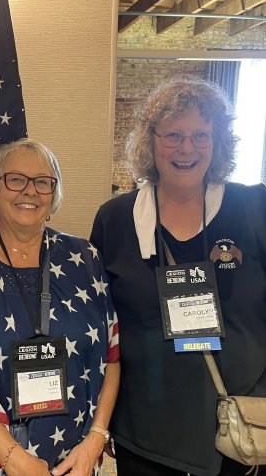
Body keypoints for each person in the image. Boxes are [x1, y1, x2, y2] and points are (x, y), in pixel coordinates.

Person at [90, 77, 266, 476]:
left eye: (201, 135)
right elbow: (99, 325)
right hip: (147, 434)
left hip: (243, 429)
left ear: (218, 142)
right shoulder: (115, 219)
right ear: (150, 142)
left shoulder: (254, 207)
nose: (187, 148)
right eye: (173, 135)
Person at [0, 139, 120, 475]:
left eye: (43, 182)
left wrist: (95, 439)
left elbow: (112, 355)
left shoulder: (86, 260)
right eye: (15, 179)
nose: (30, 191)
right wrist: (15, 461)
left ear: (55, 192)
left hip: (74, 460)